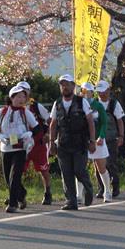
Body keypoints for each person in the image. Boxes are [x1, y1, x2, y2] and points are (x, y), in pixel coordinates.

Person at [49, 74, 96, 210]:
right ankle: (71, 201)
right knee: (66, 172)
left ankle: (88, 188)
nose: (64, 87)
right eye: (62, 84)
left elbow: (90, 122)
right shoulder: (57, 103)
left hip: (80, 143)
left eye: (67, 84)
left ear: (73, 86)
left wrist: (92, 140)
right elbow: (53, 124)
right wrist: (51, 142)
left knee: (79, 170)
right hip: (63, 143)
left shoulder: (82, 102)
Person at [0, 86, 39, 213]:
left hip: (20, 148)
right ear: (11, 98)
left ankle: (13, 204)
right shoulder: (3, 111)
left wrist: (29, 134)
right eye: (18, 96)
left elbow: (37, 128)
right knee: (8, 178)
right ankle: (21, 194)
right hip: (6, 148)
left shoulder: (25, 112)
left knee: (15, 175)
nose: (21, 99)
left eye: (23, 96)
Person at [16, 81, 53, 205]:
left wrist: (48, 134)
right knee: (17, 171)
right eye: (19, 93)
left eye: (24, 92)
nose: (22, 96)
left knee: (43, 169)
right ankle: (18, 195)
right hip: (22, 144)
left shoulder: (36, 106)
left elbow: (50, 120)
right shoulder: (13, 108)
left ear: (28, 93)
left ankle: (47, 192)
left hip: (38, 143)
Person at [78, 82, 111, 202]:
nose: (86, 94)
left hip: (97, 140)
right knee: (80, 168)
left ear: (93, 93)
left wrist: (101, 136)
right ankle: (79, 195)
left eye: (89, 91)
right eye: (84, 91)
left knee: (101, 167)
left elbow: (104, 122)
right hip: (83, 141)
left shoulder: (98, 105)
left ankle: (107, 190)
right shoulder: (78, 105)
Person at [95, 80, 125, 197]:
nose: (101, 94)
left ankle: (115, 186)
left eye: (103, 92)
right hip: (97, 140)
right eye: (99, 92)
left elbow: (120, 121)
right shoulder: (93, 104)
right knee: (97, 164)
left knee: (110, 163)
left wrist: (121, 136)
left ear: (108, 91)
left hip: (111, 138)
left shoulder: (114, 104)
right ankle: (101, 188)